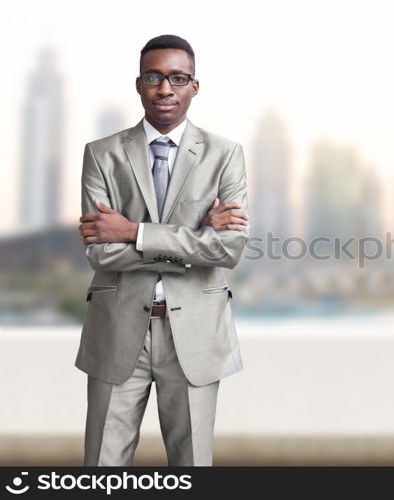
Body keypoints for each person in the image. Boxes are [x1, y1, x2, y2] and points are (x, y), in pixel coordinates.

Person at [76, 34, 250, 466]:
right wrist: (193, 242)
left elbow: (227, 250)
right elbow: (102, 254)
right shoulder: (101, 155)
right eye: (154, 77)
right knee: (103, 465)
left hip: (195, 335)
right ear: (138, 84)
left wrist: (132, 230)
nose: (165, 89)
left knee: (192, 465)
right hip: (116, 332)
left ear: (195, 85)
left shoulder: (225, 156)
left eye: (178, 78)